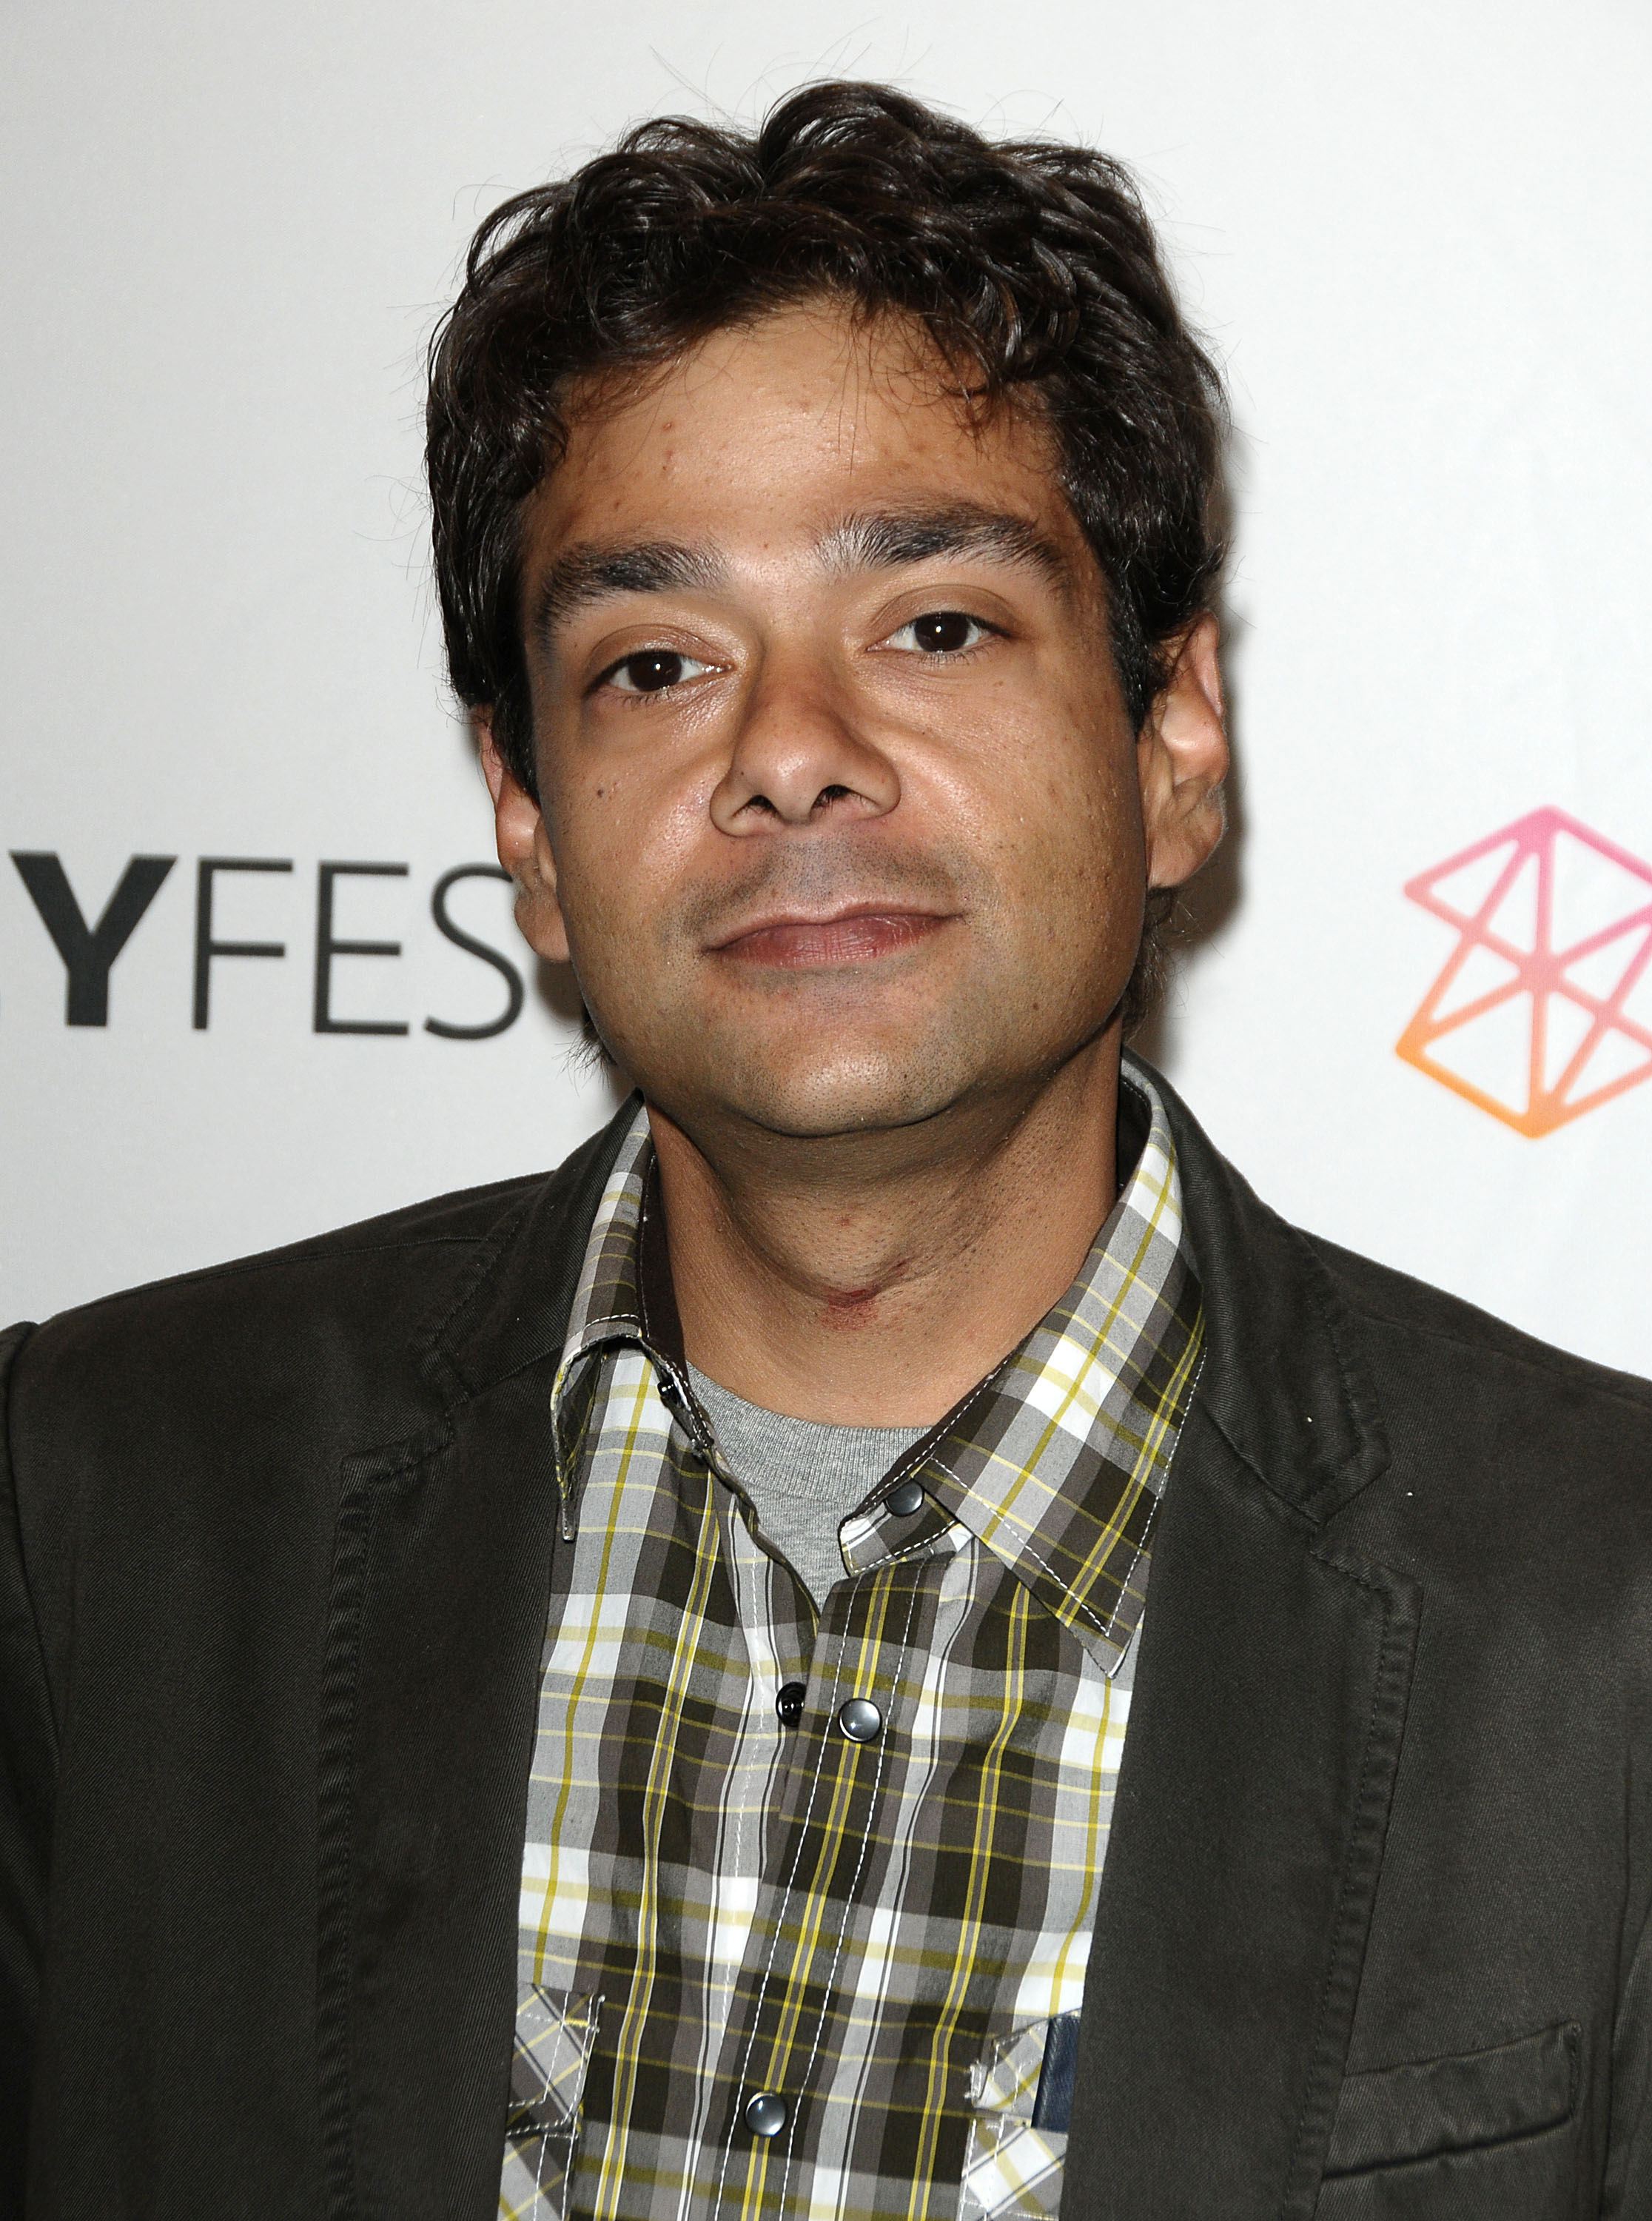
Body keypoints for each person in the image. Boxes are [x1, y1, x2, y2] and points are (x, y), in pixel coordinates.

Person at [1, 80, 1648, 2221]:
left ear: (1173, 740)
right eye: (656, 662)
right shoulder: (102, 1508)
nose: (788, 752)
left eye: (936, 627)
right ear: (531, 833)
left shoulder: (1600, 1627)